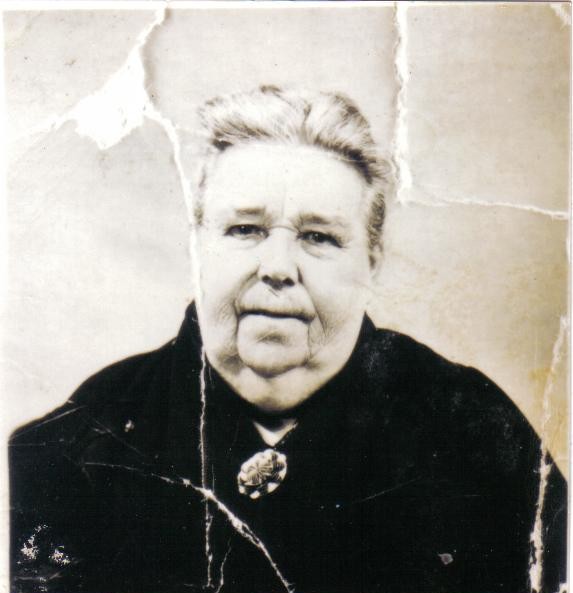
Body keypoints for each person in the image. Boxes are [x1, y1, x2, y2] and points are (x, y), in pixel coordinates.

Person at [10, 86, 566, 593]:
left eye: (318, 237)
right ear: (198, 247)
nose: (278, 267)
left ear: (371, 261)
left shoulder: (477, 438)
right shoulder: (73, 448)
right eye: (245, 229)